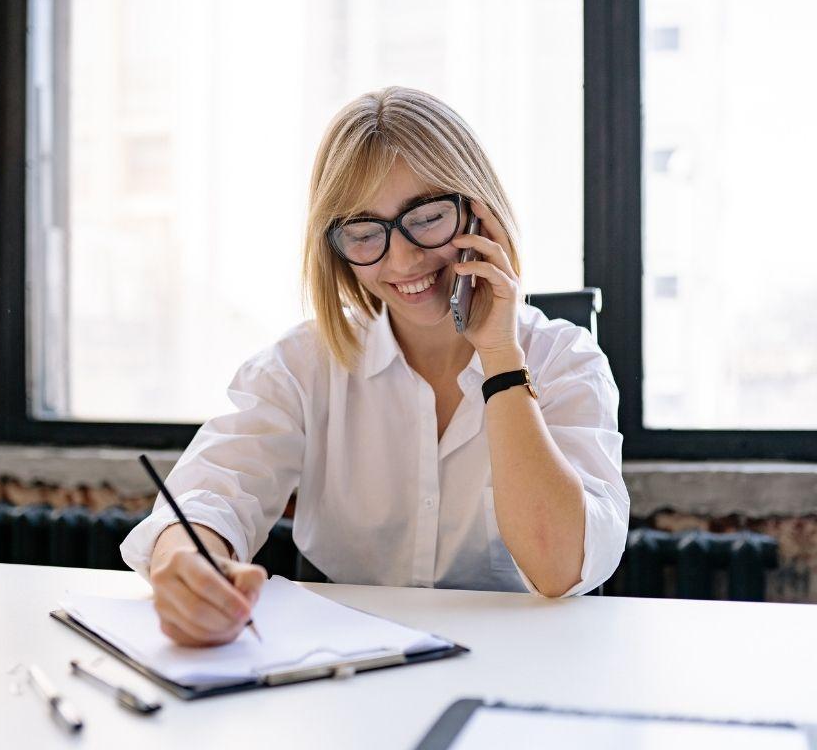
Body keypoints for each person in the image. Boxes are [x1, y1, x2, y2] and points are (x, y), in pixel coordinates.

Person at [120, 86, 630, 647]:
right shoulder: (302, 364)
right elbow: (212, 493)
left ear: (479, 212)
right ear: (336, 246)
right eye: (366, 234)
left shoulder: (564, 359)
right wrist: (189, 562)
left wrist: (501, 359)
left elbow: (560, 567)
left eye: (428, 217)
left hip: (517, 664)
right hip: (348, 668)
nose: (404, 259)